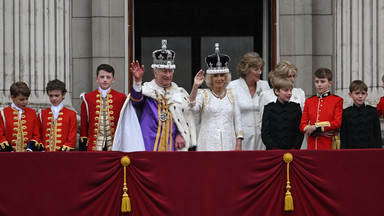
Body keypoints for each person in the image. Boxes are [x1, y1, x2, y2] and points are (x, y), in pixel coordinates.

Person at [128, 40, 196, 151]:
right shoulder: (146, 90)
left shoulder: (179, 93)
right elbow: (135, 101)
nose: (168, 75)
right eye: (164, 71)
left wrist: (180, 133)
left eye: (170, 71)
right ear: (155, 72)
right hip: (148, 141)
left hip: (172, 142)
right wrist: (137, 80)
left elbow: (185, 117)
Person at [189, 43, 243, 151]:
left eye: (222, 75)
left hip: (229, 142)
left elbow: (238, 120)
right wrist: (195, 86)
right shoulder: (203, 94)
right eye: (216, 76)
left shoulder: (232, 94)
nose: (219, 78)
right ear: (211, 78)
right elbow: (192, 108)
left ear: (226, 77)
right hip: (208, 143)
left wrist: (239, 143)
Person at [259, 60, 307, 149]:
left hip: (296, 143)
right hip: (275, 144)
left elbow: (303, 120)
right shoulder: (266, 94)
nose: (292, 79)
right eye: (289, 76)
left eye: (293, 76)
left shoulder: (299, 92)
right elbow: (263, 124)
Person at [227, 52, 270, 150]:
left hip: (261, 137)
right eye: (256, 69)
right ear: (246, 69)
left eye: (261, 69)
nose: (260, 72)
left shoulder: (265, 85)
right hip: (242, 138)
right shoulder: (233, 86)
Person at [79, 64, 127, 151]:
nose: (105, 80)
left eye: (108, 77)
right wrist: (83, 145)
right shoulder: (87, 98)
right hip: (94, 146)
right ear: (97, 79)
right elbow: (84, 125)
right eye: (102, 77)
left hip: (115, 145)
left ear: (113, 80)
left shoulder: (121, 98)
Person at [299, 68, 343, 149]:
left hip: (329, 144)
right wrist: (316, 131)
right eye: (317, 81)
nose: (319, 84)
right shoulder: (309, 101)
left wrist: (316, 127)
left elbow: (337, 122)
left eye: (322, 81)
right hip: (312, 144)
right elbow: (302, 125)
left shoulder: (337, 100)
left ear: (330, 83)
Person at [0, 81, 43, 152]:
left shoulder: (32, 113)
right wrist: (9, 150)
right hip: (8, 156)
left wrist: (30, 148)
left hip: (28, 156)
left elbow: (37, 135)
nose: (25, 102)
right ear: (13, 98)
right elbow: (0, 136)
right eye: (21, 99)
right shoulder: (3, 113)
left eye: (26, 99)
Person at [341, 80, 382, 148]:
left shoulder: (373, 112)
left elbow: (377, 134)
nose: (360, 96)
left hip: (370, 150)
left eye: (363, 93)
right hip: (352, 151)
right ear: (350, 95)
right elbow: (343, 136)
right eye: (357, 93)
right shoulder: (345, 113)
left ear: (366, 95)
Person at [39, 79, 77, 151]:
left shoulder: (71, 114)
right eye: (51, 96)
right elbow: (39, 135)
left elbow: (72, 137)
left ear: (63, 95)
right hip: (46, 155)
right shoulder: (42, 114)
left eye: (57, 95)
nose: (54, 98)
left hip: (64, 155)